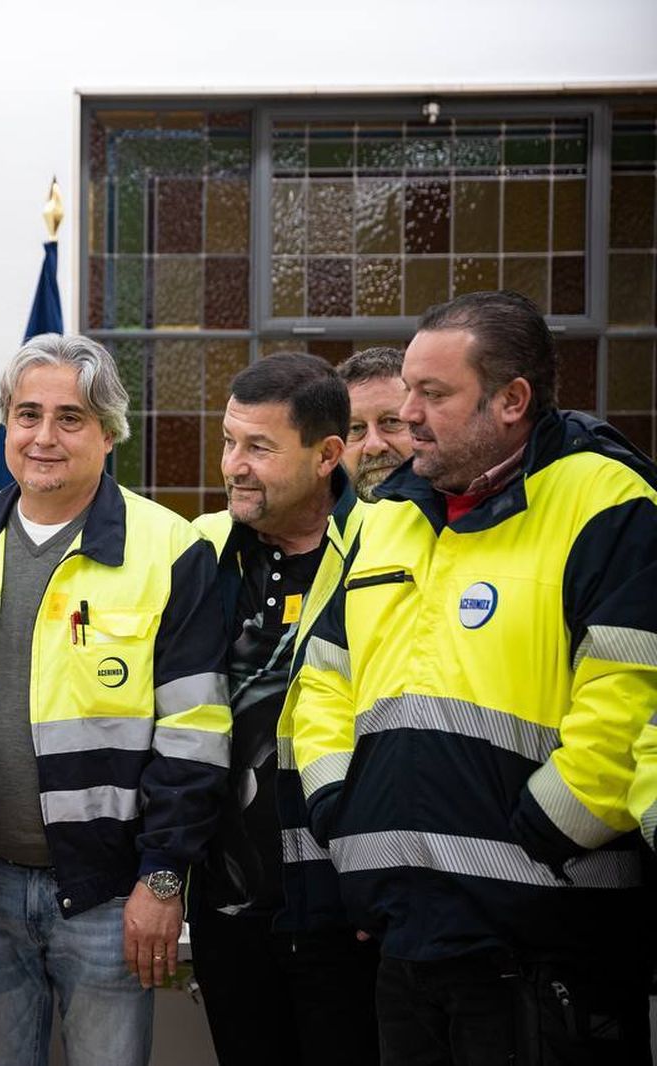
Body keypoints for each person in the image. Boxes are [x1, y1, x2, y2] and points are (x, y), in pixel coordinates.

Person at [293, 291, 657, 1064]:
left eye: (434, 394)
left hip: (545, 946)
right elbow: (323, 679)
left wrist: (552, 826)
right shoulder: (387, 514)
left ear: (512, 400)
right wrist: (340, 811)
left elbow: (630, 690)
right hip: (404, 935)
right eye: (406, 392)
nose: (408, 414)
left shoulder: (608, 501)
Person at [0, 333, 230, 1066]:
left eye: (70, 418)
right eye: (27, 414)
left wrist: (162, 879)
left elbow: (195, 734)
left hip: (107, 892)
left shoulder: (170, 550)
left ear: (107, 431)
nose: (44, 437)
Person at [187, 353, 377, 1066]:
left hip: (347, 915)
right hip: (228, 913)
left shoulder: (386, 554)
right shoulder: (199, 551)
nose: (235, 464)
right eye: (230, 441)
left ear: (329, 454)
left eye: (259, 447)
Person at [336, 346, 411, 502]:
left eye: (391, 421)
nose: (374, 446)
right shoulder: (327, 525)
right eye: (356, 428)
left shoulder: (468, 522)